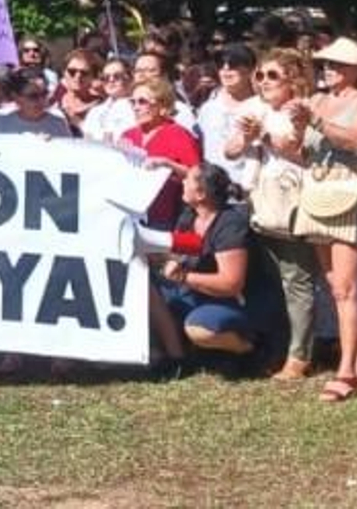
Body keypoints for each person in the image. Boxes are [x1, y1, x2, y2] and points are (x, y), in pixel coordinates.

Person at [228, 48, 319, 380]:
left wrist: (263, 135)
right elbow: (230, 151)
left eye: (272, 75)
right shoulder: (253, 108)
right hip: (260, 201)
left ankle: (300, 355)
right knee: (271, 281)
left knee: (297, 280)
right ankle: (277, 347)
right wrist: (245, 137)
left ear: (293, 79)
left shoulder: (304, 110)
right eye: (260, 75)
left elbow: (304, 154)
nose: (263, 81)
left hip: (295, 199)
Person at [304, 37, 357, 402]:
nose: (328, 69)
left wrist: (316, 122)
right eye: (325, 64)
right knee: (334, 285)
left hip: (352, 193)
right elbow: (300, 150)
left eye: (337, 64)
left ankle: (347, 370)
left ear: (356, 69)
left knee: (346, 288)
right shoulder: (317, 100)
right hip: (318, 191)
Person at [150, 164, 255, 368]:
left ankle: (248, 350)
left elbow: (231, 284)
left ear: (200, 194)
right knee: (145, 288)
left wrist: (183, 277)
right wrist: (160, 257)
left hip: (228, 301)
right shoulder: (190, 216)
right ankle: (177, 358)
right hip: (194, 294)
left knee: (200, 329)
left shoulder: (229, 224)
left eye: (188, 179)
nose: (183, 182)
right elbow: (178, 255)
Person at [122, 78, 203, 230]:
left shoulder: (178, 134)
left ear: (162, 105)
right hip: (129, 215)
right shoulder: (128, 135)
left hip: (165, 217)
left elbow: (197, 175)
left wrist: (168, 164)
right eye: (132, 102)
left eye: (142, 102)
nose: (136, 107)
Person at [196, 44, 257, 187]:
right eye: (220, 64)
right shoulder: (208, 107)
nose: (226, 68)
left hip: (245, 187)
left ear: (250, 70)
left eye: (233, 64)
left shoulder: (260, 107)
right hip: (211, 188)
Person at [0, 69, 71, 138]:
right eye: (33, 96)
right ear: (16, 97)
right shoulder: (2, 123)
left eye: (44, 94)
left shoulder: (58, 123)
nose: (41, 100)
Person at [82, 57, 136, 143]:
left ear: (130, 79)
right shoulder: (95, 111)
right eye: (106, 77)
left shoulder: (136, 108)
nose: (111, 80)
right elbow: (86, 141)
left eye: (117, 76)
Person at [55, 49, 103, 135]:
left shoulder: (102, 108)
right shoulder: (54, 101)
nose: (78, 76)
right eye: (72, 72)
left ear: (93, 76)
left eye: (84, 73)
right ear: (64, 73)